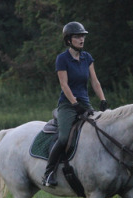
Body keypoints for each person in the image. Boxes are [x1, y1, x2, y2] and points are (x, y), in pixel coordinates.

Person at [42, 21, 108, 187]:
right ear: (69, 40)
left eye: (83, 36)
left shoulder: (87, 58)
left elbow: (95, 81)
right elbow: (64, 85)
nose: (81, 39)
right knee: (64, 137)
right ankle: (48, 173)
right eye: (78, 36)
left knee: (100, 131)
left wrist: (102, 99)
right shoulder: (62, 59)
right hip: (67, 105)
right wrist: (74, 103)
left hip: (85, 103)